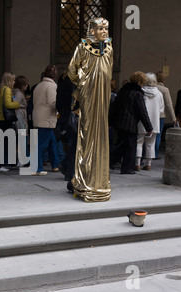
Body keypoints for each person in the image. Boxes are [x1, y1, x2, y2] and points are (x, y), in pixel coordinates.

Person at [67, 17, 113, 202]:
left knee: (101, 134)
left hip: (103, 96)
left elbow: (109, 71)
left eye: (106, 28)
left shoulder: (109, 48)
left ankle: (100, 182)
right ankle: (84, 181)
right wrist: (82, 84)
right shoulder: (83, 47)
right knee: (86, 134)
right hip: (88, 95)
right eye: (100, 28)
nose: (104, 32)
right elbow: (72, 69)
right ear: (92, 30)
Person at [109, 71, 153, 175]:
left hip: (119, 122)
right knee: (130, 147)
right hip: (130, 123)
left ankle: (109, 160)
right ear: (140, 82)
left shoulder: (122, 91)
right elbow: (142, 111)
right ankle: (127, 168)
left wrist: (110, 121)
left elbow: (114, 107)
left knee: (122, 145)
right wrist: (149, 127)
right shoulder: (137, 94)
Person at [32, 65, 60, 176]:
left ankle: (55, 165)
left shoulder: (39, 85)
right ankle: (37, 168)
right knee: (42, 144)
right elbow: (53, 102)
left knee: (51, 142)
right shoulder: (52, 86)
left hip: (39, 117)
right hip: (47, 118)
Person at [135, 73, 164, 171]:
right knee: (151, 143)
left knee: (139, 142)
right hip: (154, 122)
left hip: (141, 122)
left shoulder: (141, 92)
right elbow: (161, 109)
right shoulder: (159, 94)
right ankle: (148, 164)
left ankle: (137, 163)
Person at [0, 72, 20, 172]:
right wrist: (17, 104)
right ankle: (2, 164)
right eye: (13, 80)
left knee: (1, 142)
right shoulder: (8, 90)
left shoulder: (1, 89)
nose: (14, 82)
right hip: (5, 119)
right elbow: (8, 104)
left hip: (0, 118)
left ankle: (0, 164)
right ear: (9, 80)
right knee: (6, 142)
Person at [155, 71, 176, 159]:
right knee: (158, 135)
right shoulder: (164, 90)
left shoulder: (150, 88)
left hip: (151, 115)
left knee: (150, 134)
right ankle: (155, 154)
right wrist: (173, 118)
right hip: (161, 115)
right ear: (163, 79)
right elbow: (169, 104)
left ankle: (148, 153)